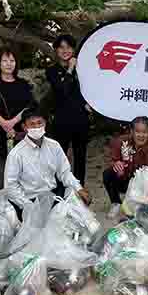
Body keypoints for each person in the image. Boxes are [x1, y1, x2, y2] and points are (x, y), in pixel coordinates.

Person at [4, 106, 91, 218]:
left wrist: (79, 188)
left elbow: (64, 173)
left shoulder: (54, 146)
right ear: (24, 127)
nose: (36, 127)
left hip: (54, 196)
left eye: (40, 123)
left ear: (45, 123)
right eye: (32, 124)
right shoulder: (16, 154)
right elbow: (11, 186)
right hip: (30, 201)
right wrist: (28, 206)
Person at [0, 46, 34, 192]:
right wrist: (5, 124)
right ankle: (0, 210)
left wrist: (12, 123)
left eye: (12, 60)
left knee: (22, 176)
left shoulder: (23, 84)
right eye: (5, 60)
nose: (9, 64)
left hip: (20, 137)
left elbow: (29, 107)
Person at [46, 34, 90, 188]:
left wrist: (89, 105)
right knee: (60, 156)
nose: (65, 51)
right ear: (56, 50)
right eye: (61, 47)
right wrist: (70, 68)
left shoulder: (84, 69)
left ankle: (79, 191)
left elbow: (88, 92)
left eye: (69, 47)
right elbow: (63, 89)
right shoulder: (52, 71)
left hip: (81, 120)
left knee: (80, 157)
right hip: (61, 120)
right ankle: (59, 190)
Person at [103, 116, 148, 205]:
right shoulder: (121, 141)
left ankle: (138, 203)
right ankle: (116, 203)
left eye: (145, 132)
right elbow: (111, 159)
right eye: (137, 132)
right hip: (125, 180)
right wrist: (116, 164)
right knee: (107, 174)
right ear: (131, 132)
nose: (141, 135)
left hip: (143, 185)